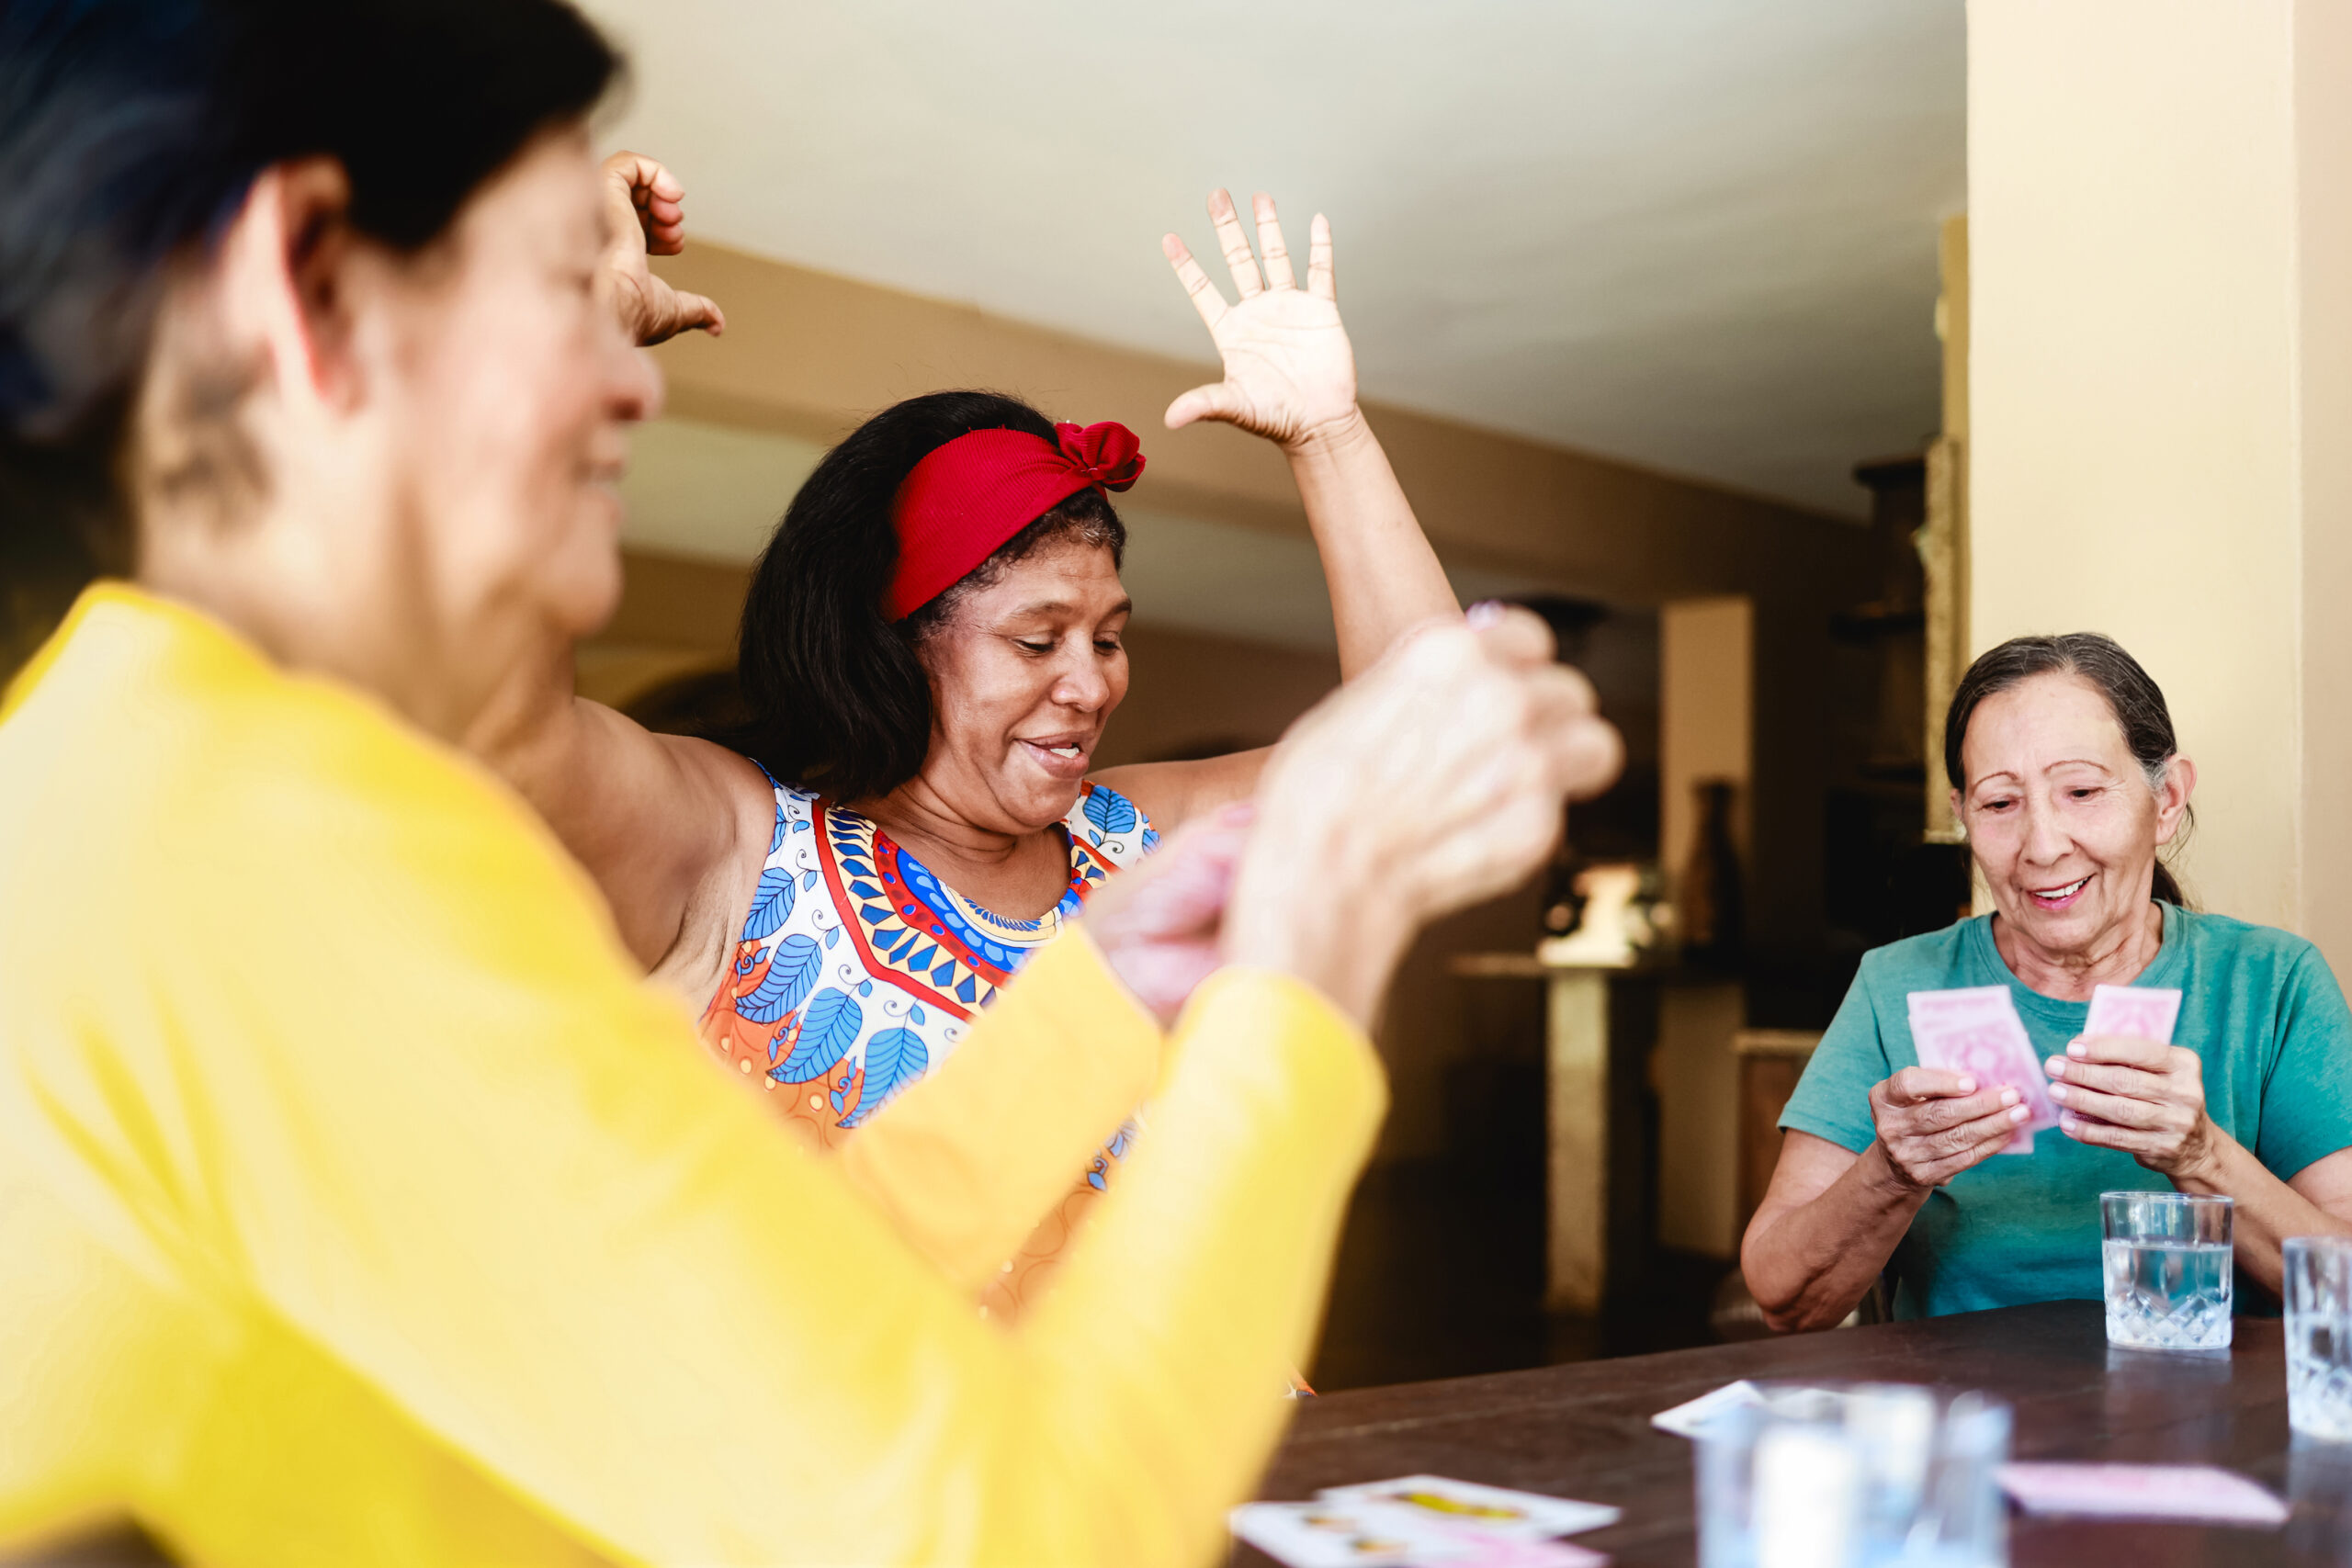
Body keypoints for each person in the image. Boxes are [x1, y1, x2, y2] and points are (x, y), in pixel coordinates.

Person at [0, 4, 1624, 1565]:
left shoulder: (136, 773)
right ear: (312, 287)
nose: (635, 375)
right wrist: (1299, 988)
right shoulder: (285, 844)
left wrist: (1110, 984)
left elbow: (754, 1312)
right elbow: (994, 1539)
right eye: (560, 285)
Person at [473, 161, 1467, 1313]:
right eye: (1038, 641)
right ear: (894, 642)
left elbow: (1426, 746)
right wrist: (573, 351)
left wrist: (1331, 438)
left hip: (1182, 1479)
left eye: (1108, 637)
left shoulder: (1138, 841)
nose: (1091, 685)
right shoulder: (736, 844)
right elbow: (502, 721)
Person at [1742, 633, 2352, 1329]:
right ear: (1962, 814)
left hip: (2208, 1422)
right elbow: (1782, 1297)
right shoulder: (1897, 984)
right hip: (1962, 1423)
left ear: (2169, 798)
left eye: (2083, 791)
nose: (2043, 845)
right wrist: (1890, 1172)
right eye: (2000, 804)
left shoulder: (2271, 981)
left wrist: (2202, 1155)